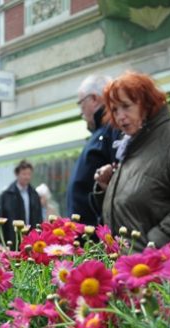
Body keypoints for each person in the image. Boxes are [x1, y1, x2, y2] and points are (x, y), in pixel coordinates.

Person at [93, 71, 170, 249]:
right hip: (133, 266)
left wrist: (152, 245)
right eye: (114, 110)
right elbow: (137, 205)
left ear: (147, 103)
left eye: (126, 106)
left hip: (163, 266)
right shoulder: (133, 143)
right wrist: (107, 187)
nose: (120, 116)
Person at [66, 74, 121, 226]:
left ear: (94, 99)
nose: (80, 112)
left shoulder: (113, 126)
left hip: (96, 234)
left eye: (81, 103)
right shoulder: (102, 130)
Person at [0, 160, 42, 247]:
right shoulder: (7, 195)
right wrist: (0, 242)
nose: (27, 177)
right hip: (12, 240)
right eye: (24, 174)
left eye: (29, 174)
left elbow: (39, 218)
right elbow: (0, 217)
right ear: (17, 174)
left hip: (31, 240)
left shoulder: (34, 194)